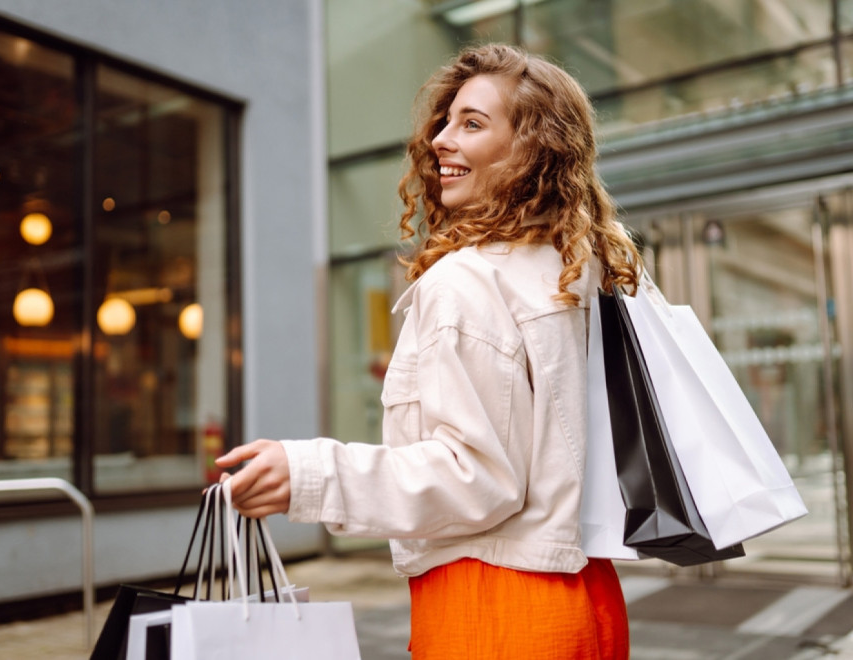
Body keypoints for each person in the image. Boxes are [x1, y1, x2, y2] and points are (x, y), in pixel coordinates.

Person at [217, 43, 641, 659]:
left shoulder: (468, 280)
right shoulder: (577, 273)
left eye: (473, 123)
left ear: (532, 149)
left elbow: (477, 479)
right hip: (587, 602)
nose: (441, 139)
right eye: (446, 121)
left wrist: (309, 473)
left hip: (492, 605)